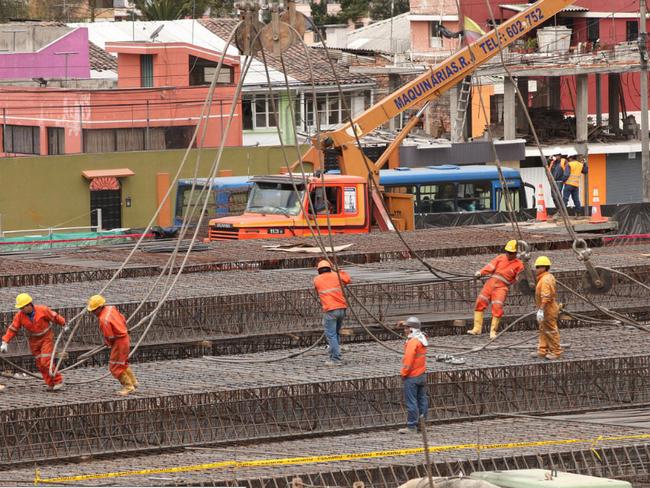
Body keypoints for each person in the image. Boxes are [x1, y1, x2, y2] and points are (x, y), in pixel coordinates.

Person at [0, 293, 67, 391]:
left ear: (29, 305)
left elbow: (54, 316)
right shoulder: (20, 316)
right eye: (21, 308)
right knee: (40, 364)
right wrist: (5, 341)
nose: (22, 310)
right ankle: (51, 384)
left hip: (46, 338)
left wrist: (63, 323)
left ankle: (58, 381)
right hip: (34, 341)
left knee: (46, 361)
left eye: (23, 307)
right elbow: (13, 329)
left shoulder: (42, 310)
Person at [469, 240, 524, 338]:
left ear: (515, 253)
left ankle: (493, 331)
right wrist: (481, 272)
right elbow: (490, 266)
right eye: (507, 252)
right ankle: (477, 328)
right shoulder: (500, 257)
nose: (508, 254)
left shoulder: (519, 264)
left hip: (501, 287)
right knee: (480, 302)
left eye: (511, 253)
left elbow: (519, 279)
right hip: (490, 283)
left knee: (497, 307)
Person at [87, 295, 139, 396]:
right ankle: (133, 382)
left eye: (94, 310)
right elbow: (123, 319)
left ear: (100, 307)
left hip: (119, 342)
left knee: (114, 366)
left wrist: (109, 343)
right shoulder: (111, 308)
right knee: (122, 363)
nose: (93, 313)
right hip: (125, 338)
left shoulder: (103, 320)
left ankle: (128, 387)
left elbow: (109, 336)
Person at [313, 259, 350, 366]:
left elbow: (317, 288)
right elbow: (348, 279)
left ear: (319, 270)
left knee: (332, 335)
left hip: (330, 311)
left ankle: (336, 359)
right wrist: (338, 270)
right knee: (336, 333)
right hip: (342, 309)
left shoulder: (317, 279)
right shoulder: (336, 275)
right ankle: (335, 352)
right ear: (330, 268)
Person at [398, 316, 428, 434]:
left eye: (407, 328)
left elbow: (408, 360)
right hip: (421, 375)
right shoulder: (422, 338)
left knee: (412, 402)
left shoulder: (412, 343)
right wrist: (402, 323)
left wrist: (404, 373)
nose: (405, 330)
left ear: (412, 330)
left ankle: (411, 426)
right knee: (422, 401)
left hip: (412, 376)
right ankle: (422, 425)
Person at [532, 256, 562, 360]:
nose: (536, 269)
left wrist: (541, 310)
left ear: (544, 268)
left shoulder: (545, 280)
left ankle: (556, 352)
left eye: (537, 267)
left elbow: (546, 297)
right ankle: (542, 350)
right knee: (543, 329)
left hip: (548, 309)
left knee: (550, 330)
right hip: (547, 308)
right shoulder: (547, 277)